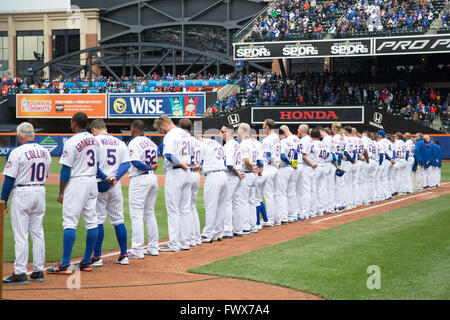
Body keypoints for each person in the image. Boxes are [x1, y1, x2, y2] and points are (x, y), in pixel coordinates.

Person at [47, 112, 108, 274]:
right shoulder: (95, 141)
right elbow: (98, 164)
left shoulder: (72, 141)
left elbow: (65, 170)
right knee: (92, 221)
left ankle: (65, 264)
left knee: (70, 222)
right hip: (92, 181)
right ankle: (87, 261)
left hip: (77, 182)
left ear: (74, 123)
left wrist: (61, 192)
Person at [1, 122, 51, 285]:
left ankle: (20, 272)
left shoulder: (17, 152)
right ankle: (38, 271)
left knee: (21, 234)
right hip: (40, 191)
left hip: (22, 192)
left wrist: (3, 200)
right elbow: (47, 175)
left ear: (20, 135)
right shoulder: (45, 152)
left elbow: (9, 179)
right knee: (38, 232)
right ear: (33, 135)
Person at [90, 119, 131, 266]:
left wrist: (105, 178)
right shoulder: (119, 142)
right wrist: (115, 178)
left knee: (98, 220)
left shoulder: (93, 141)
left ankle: (97, 257)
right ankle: (124, 254)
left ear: (94, 129)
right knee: (118, 219)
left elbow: (92, 164)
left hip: (99, 184)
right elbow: (126, 163)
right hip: (115, 186)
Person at [153, 115, 192, 252]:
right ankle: (186, 242)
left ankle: (175, 243)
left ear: (164, 124)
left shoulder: (171, 134)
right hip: (188, 173)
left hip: (176, 173)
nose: (162, 131)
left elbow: (169, 155)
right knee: (185, 209)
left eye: (161, 128)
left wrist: (179, 162)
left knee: (173, 209)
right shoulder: (185, 134)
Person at [126, 120, 160, 258]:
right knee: (149, 213)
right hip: (152, 179)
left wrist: (147, 167)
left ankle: (137, 250)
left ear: (133, 129)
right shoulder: (151, 142)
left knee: (137, 215)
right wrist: (149, 168)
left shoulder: (134, 142)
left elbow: (135, 161)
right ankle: (154, 247)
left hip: (140, 179)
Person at [199, 137, 228, 242]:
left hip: (213, 175)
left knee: (210, 206)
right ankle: (219, 233)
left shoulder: (202, 144)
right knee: (221, 206)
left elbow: (198, 161)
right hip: (224, 175)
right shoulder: (217, 144)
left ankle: (207, 234)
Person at [179, 118, 202, 247]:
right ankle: (196, 237)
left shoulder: (185, 139)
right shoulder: (197, 141)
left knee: (186, 208)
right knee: (192, 207)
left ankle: (190, 238)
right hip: (196, 174)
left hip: (188, 172)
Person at [221, 124, 245, 238]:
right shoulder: (237, 144)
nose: (221, 134)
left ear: (226, 132)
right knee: (236, 203)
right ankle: (239, 229)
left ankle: (227, 231)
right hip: (238, 174)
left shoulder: (229, 146)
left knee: (227, 202)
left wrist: (238, 174)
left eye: (222, 131)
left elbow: (229, 165)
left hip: (232, 175)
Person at [261, 119, 281, 225]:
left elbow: (268, 156)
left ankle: (270, 219)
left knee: (269, 194)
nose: (263, 127)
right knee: (276, 194)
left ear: (267, 126)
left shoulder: (267, 139)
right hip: (277, 168)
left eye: (264, 125)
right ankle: (277, 218)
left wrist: (273, 163)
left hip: (270, 167)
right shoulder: (276, 138)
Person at [297, 124, 316, 219]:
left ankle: (305, 213)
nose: (297, 129)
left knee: (305, 191)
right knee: (312, 190)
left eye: (299, 128)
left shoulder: (303, 140)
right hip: (312, 166)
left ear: (302, 130)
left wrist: (311, 164)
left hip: (307, 166)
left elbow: (303, 156)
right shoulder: (311, 139)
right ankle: (312, 211)